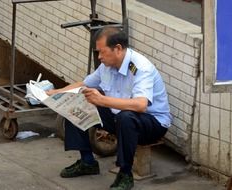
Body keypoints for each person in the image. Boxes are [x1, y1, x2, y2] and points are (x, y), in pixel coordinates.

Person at [46, 26, 172, 190]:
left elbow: (140, 105)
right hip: (118, 116)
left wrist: (102, 100)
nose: (99, 57)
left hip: (151, 123)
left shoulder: (141, 67)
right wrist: (55, 93)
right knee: (78, 99)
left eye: (101, 52)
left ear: (118, 49)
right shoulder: (106, 65)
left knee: (126, 117)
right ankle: (87, 161)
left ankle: (125, 175)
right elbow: (84, 84)